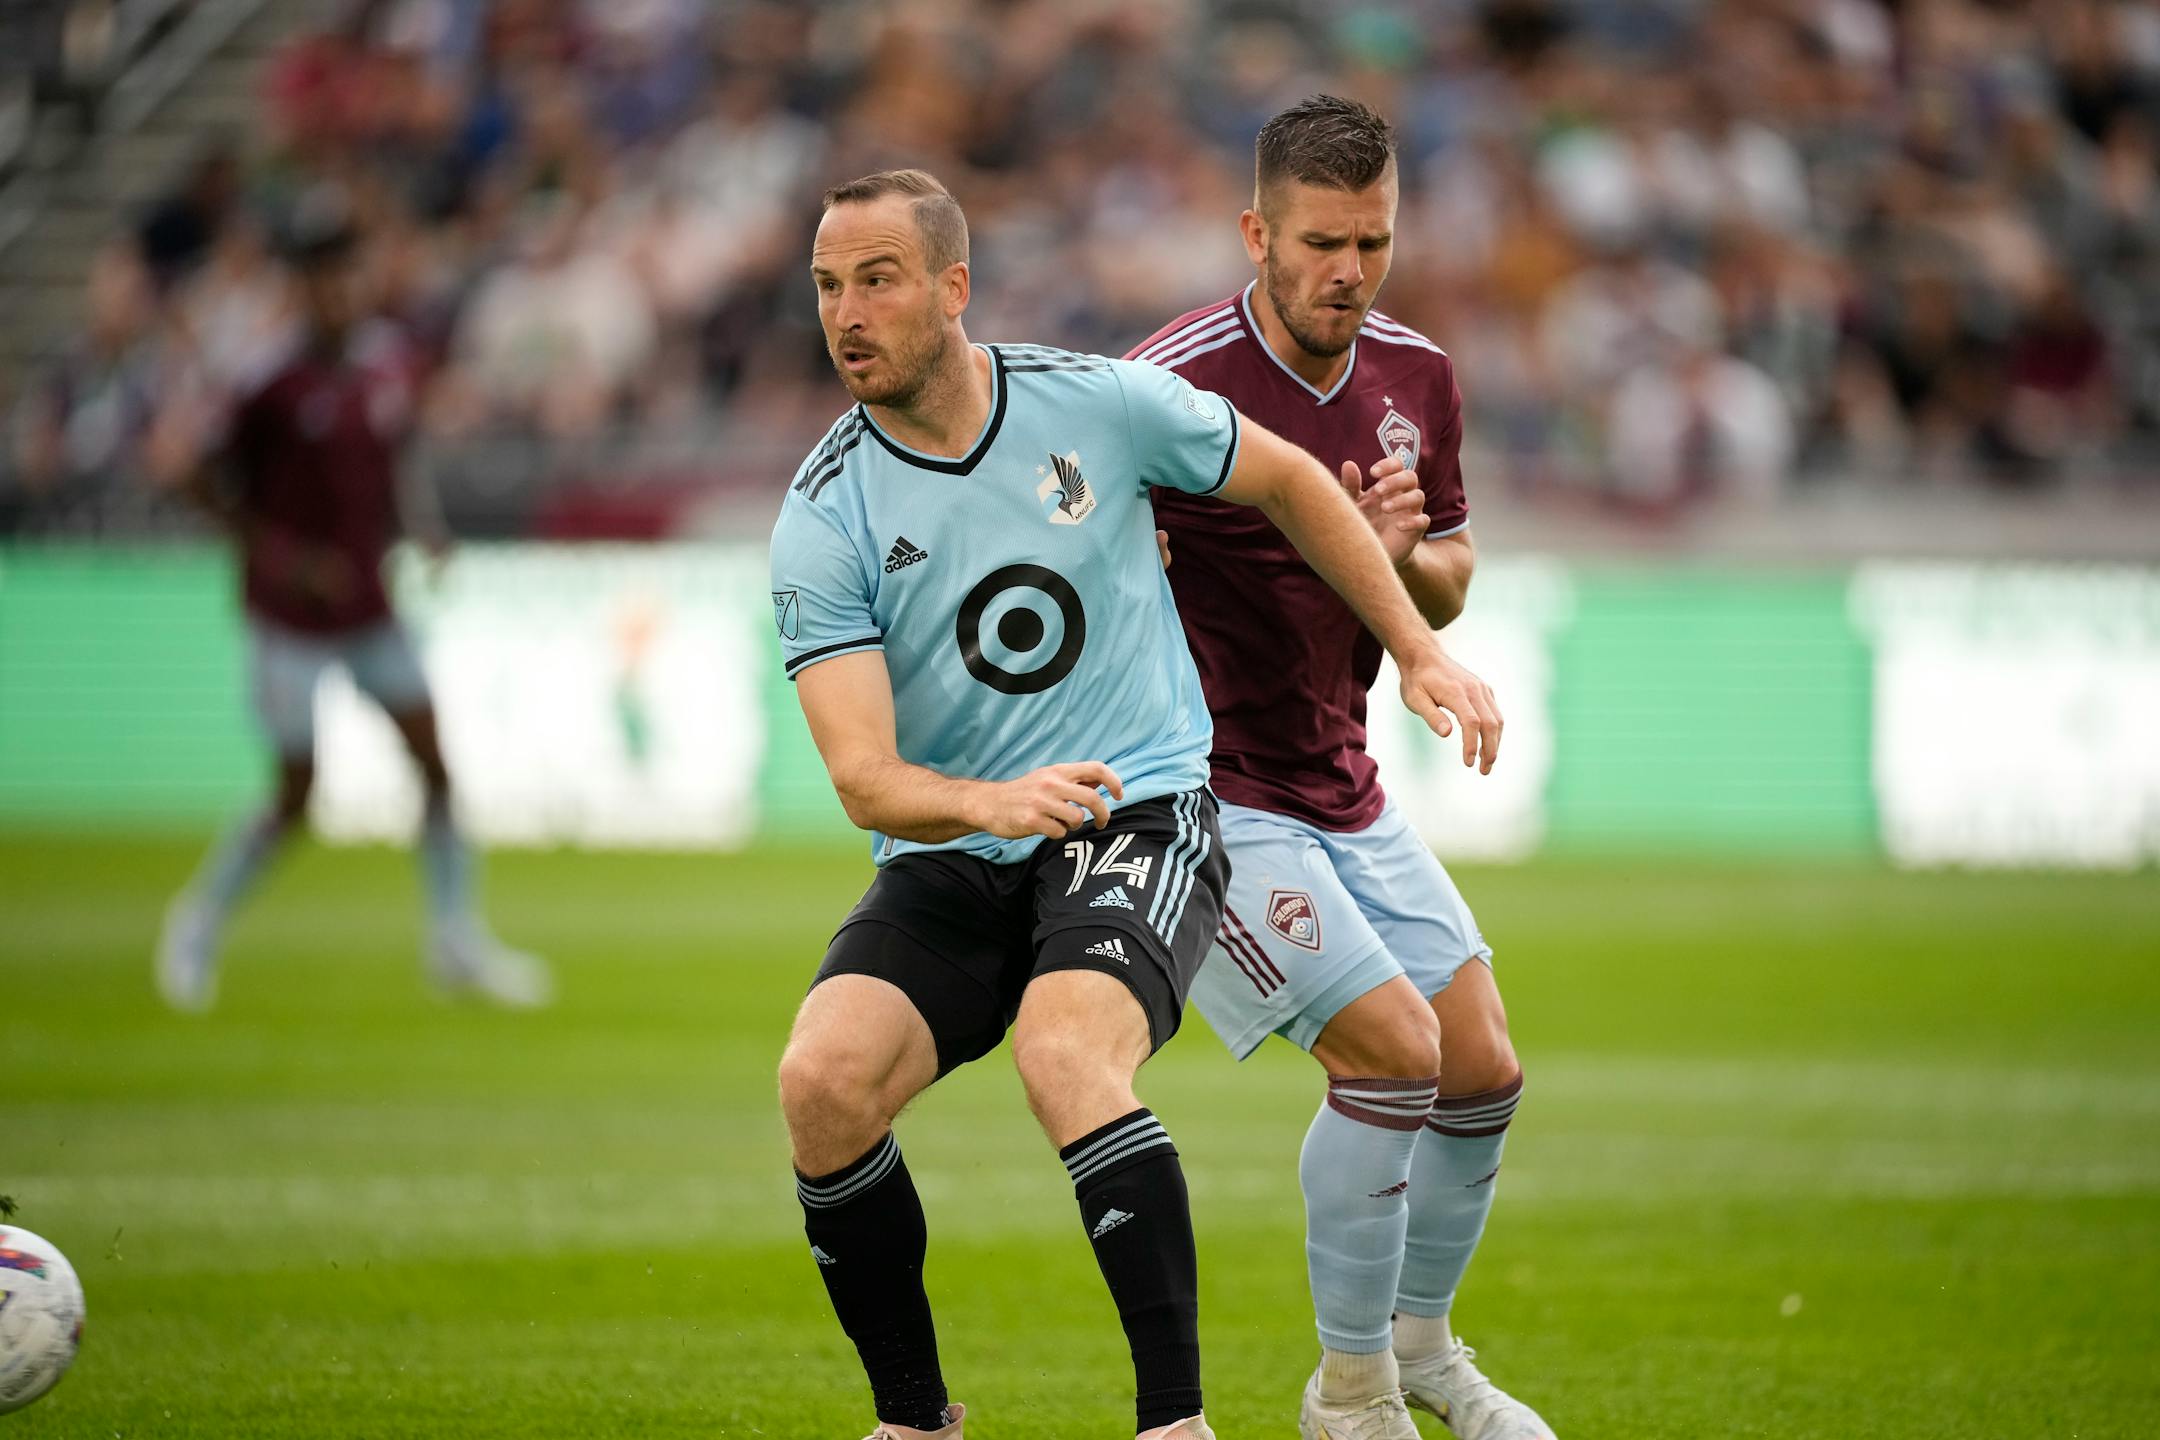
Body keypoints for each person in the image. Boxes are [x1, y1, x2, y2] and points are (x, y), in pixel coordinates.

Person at [771, 168, 1500, 1440]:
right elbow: (862, 779)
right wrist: (992, 804)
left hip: (1138, 811)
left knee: (1067, 1056)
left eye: (877, 280)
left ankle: (1176, 1425)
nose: (847, 313)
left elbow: (1291, 480)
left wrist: (1417, 646)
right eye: (829, 286)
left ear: (953, 287)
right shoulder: (823, 512)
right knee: (820, 1083)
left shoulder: (1095, 402)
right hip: (966, 841)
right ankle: (914, 1422)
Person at [1128, 96, 1552, 1440]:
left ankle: (1422, 1349)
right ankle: (1351, 1392)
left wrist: (1405, 560)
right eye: (1321, 243)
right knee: (1392, 1055)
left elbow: (1454, 573)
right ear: (1257, 235)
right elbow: (1070, 544)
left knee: (1479, 1069)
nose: (1350, 272)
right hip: (1204, 793)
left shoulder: (1418, 376)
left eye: (1374, 242)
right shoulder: (1168, 384)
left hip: (1340, 781)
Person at [154, 189, 550, 1014]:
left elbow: (396, 459)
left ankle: (455, 939)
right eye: (321, 272)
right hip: (289, 617)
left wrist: (423, 529)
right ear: (300, 285)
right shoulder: (268, 379)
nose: (338, 286)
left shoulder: (384, 361)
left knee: (435, 763)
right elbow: (197, 476)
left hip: (370, 606)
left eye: (346, 268)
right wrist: (282, 557)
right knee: (297, 793)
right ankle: (197, 921)